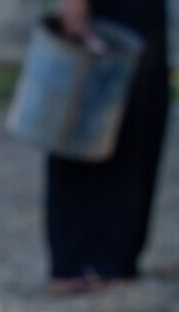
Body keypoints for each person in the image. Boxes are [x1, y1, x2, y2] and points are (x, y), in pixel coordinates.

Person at [47, 0, 170, 291]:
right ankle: (79, 265)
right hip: (106, 11)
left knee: (139, 124)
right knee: (88, 122)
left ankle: (116, 262)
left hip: (142, 14)